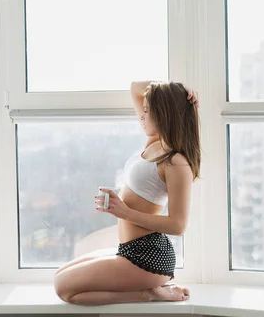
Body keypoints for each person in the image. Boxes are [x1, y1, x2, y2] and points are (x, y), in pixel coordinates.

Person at [54, 80, 200, 306]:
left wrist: (125, 212)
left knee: (64, 289)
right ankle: (152, 290)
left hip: (147, 257)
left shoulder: (176, 162)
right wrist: (180, 91)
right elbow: (136, 87)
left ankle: (150, 293)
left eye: (147, 111)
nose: (142, 116)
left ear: (163, 114)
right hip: (129, 249)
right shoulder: (154, 141)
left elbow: (178, 225)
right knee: (60, 275)